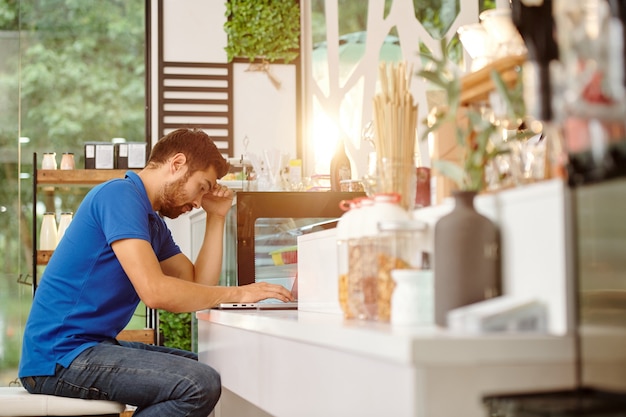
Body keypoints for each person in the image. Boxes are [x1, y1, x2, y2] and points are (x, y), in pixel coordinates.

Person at [19, 128, 294, 416]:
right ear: (177, 164)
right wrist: (240, 293)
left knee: (210, 369)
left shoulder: (152, 223)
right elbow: (155, 291)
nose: (199, 202)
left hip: (87, 349)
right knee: (198, 383)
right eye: (202, 186)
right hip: (58, 357)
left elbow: (198, 284)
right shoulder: (119, 195)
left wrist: (216, 216)